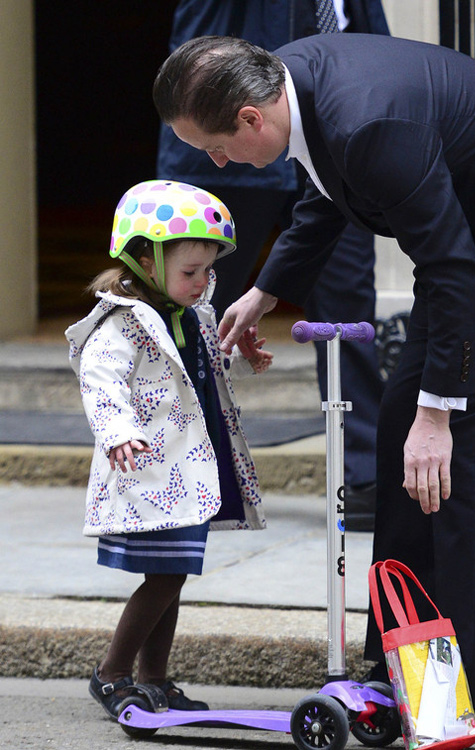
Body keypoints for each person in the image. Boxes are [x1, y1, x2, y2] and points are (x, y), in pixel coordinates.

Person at [152, 35, 475, 729]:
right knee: (410, 423)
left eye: (216, 147)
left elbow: (452, 268)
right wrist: (268, 289)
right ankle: (403, 668)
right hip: (471, 237)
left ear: (252, 118)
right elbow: (329, 189)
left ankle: (467, 694)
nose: (217, 163)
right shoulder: (295, 89)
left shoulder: (366, 119)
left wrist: (438, 417)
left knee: (464, 451)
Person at [156, 1, 391, 531]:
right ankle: (179, 468)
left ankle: (364, 475)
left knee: (348, 306)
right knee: (197, 311)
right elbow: (195, 47)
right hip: (233, 148)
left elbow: (371, 42)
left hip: (329, 143)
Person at [65, 179, 272, 721]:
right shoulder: (121, 323)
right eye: (190, 271)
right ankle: (111, 674)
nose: (203, 282)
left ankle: (154, 678)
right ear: (145, 262)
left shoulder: (194, 316)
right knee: (165, 575)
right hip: (151, 471)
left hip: (190, 468)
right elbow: (100, 382)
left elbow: (201, 376)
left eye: (209, 271)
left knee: (174, 572)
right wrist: (117, 433)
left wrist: (241, 356)